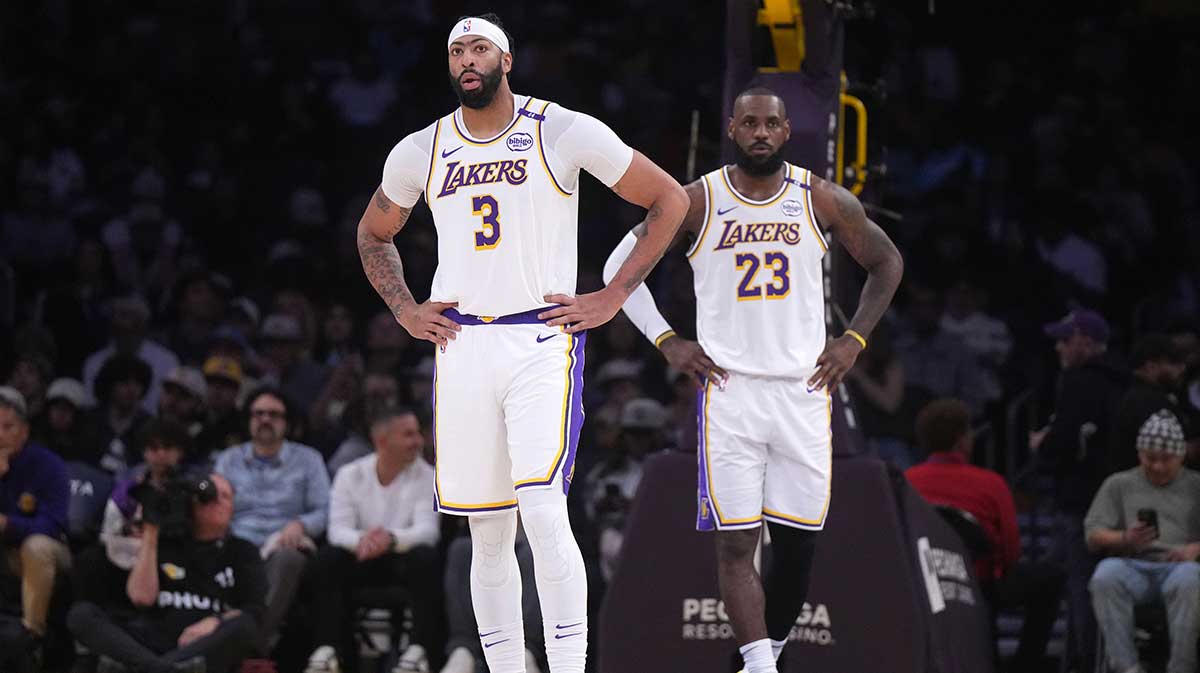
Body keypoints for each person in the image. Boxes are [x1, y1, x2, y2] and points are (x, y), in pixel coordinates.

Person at [356, 13, 688, 673]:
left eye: (479, 48)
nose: (466, 60)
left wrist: (612, 294)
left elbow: (668, 199)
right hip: (462, 346)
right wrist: (404, 309)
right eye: (456, 51)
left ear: (507, 60)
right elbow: (373, 233)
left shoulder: (558, 128)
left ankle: (567, 665)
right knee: (486, 530)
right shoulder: (420, 149)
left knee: (540, 508)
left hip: (540, 337)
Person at [602, 88, 903, 673]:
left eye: (771, 123)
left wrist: (854, 338)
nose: (760, 132)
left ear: (786, 131)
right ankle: (761, 666)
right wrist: (667, 340)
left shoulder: (819, 198)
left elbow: (887, 261)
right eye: (749, 123)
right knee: (736, 544)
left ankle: (766, 656)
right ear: (732, 129)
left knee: (797, 545)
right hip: (731, 392)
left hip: (804, 390)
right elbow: (619, 269)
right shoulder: (695, 200)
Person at [905, 399, 1063, 671]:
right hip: (980, 583)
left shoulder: (906, 481)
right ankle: (1025, 667)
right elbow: (1011, 551)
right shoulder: (991, 484)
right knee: (1050, 580)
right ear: (961, 440)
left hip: (920, 582)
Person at [67, 473, 265, 673]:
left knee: (244, 626)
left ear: (233, 509)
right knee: (81, 614)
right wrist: (152, 530)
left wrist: (216, 621)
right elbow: (142, 598)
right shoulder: (166, 543)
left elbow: (254, 610)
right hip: (150, 641)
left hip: (201, 646)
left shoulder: (242, 551)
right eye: (208, 495)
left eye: (224, 496)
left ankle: (148, 668)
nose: (215, 500)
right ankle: (165, 670)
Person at [305, 407, 441, 673]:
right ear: (382, 441)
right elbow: (337, 531)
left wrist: (389, 540)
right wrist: (365, 541)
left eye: (417, 434)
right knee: (327, 559)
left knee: (426, 556)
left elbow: (428, 531)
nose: (418, 441)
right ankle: (329, 650)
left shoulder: (427, 475)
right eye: (408, 435)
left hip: (404, 562)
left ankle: (419, 651)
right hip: (362, 559)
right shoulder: (349, 475)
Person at [1030, 309, 1127, 671]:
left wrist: (1044, 445)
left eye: (1064, 340)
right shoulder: (1123, 382)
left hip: (1079, 502)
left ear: (1086, 341)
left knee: (1080, 587)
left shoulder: (1077, 381)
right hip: (1116, 501)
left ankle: (1084, 662)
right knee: (1059, 579)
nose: (1058, 348)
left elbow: (1066, 441)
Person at [213, 387, 330, 653]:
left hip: (283, 545)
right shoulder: (228, 460)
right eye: (259, 413)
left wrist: (300, 525)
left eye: (274, 414)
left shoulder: (308, 460)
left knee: (288, 559)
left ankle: (249, 647)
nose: (266, 419)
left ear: (287, 422)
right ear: (249, 420)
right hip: (237, 544)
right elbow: (214, 509)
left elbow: (324, 510)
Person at [1085, 410, 1200, 673]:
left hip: (1180, 567)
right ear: (1139, 454)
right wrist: (1125, 537)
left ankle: (1182, 668)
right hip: (1135, 565)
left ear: (1181, 456)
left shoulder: (1196, 486)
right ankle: (1127, 667)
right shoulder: (1119, 484)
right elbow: (1093, 534)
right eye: (1151, 459)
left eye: (1166, 459)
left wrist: (1196, 549)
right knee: (1105, 575)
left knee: (1190, 578)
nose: (1158, 466)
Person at [0, 386, 71, 663]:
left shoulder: (48, 465)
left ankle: (31, 639)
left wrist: (9, 524)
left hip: (48, 553)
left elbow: (53, 524)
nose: (0, 435)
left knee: (37, 546)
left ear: (25, 431)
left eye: (8, 427)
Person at [1110, 333, 1192, 474]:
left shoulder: (1136, 396)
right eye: (1173, 363)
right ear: (1150, 366)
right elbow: (1164, 453)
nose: (1182, 369)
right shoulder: (1148, 402)